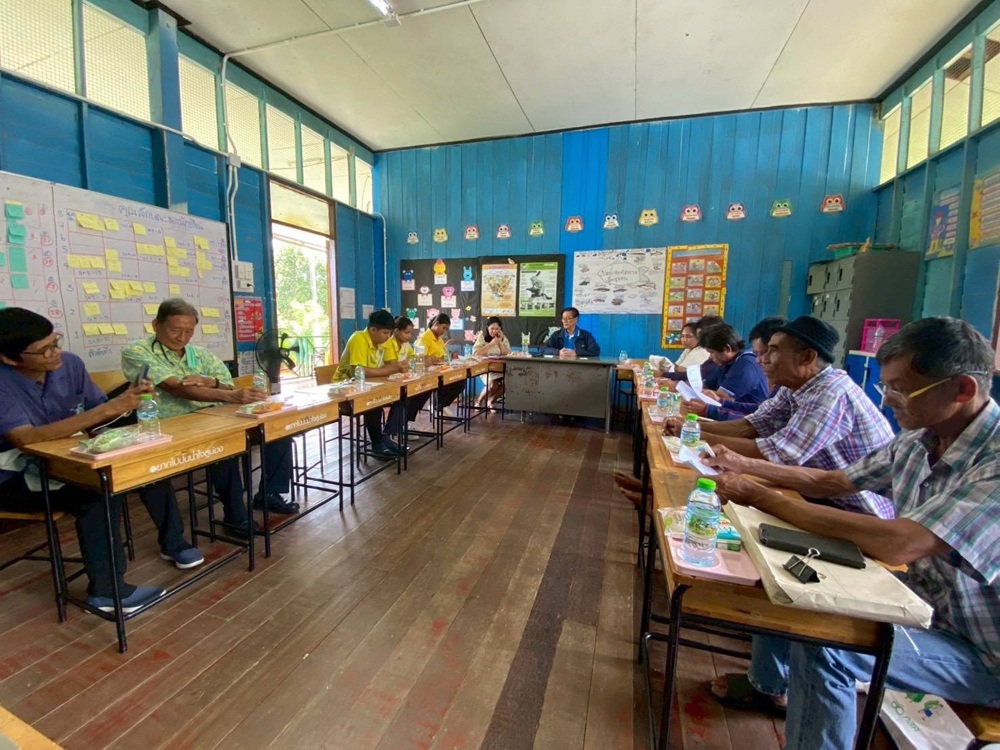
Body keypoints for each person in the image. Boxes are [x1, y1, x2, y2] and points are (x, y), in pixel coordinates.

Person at [703, 317, 1000, 750]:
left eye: (900, 388)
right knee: (791, 579)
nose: (886, 398)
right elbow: (833, 481)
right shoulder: (920, 439)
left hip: (982, 651)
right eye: (886, 385)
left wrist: (763, 496)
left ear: (962, 390)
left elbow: (899, 543)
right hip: (923, 604)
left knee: (828, 645)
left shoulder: (993, 463)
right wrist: (744, 467)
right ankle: (768, 684)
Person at [0, 308, 163, 613]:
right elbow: (27, 439)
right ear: (10, 359)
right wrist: (108, 409)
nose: (55, 353)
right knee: (95, 493)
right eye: (44, 350)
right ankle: (107, 593)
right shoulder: (3, 384)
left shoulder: (70, 364)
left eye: (55, 341)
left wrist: (130, 402)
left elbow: (98, 412)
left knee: (144, 466)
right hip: (14, 477)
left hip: (67, 461)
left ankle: (176, 546)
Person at [665, 315, 895, 517]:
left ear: (807, 357)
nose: (761, 360)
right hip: (811, 491)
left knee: (724, 506)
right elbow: (751, 425)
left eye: (772, 351)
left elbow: (780, 454)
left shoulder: (831, 394)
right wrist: (693, 429)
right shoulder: (793, 386)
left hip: (853, 510)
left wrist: (703, 438)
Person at [122, 299, 299, 552]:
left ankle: (268, 495)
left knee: (276, 431)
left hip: (211, 417)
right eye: (175, 330)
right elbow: (176, 388)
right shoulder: (138, 352)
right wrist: (228, 395)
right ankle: (231, 518)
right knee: (223, 449)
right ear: (155, 325)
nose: (182, 337)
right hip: (166, 426)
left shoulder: (199, 354)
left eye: (189, 331)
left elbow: (227, 384)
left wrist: (212, 382)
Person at [333, 309, 406, 458]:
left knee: (404, 395)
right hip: (344, 388)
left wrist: (388, 369)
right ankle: (377, 444)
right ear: (373, 329)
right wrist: (388, 370)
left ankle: (386, 435)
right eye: (385, 333)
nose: (388, 337)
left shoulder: (385, 341)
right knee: (373, 402)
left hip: (372, 384)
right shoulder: (359, 339)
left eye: (390, 333)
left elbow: (393, 365)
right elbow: (359, 372)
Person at [688, 316, 784, 421]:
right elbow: (761, 410)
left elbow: (761, 420)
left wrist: (709, 409)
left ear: (727, 348)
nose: (759, 360)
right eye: (757, 354)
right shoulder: (725, 363)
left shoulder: (746, 364)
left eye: (712, 352)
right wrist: (718, 401)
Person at [417, 313, 465, 411]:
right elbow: (421, 360)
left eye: (446, 329)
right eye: (444, 328)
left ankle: (440, 406)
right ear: (436, 324)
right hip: (427, 372)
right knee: (446, 383)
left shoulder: (439, 339)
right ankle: (438, 406)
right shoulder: (424, 338)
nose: (444, 331)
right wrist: (435, 359)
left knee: (461, 381)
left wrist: (439, 359)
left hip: (439, 370)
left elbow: (443, 357)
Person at [661, 315, 723, 382]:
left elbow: (683, 372)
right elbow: (677, 368)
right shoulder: (689, 349)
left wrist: (663, 374)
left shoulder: (702, 351)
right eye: (682, 336)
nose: (684, 340)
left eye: (688, 336)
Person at [472, 316, 510, 408]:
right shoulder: (482, 337)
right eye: (492, 329)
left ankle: (491, 401)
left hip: (500, 368)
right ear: (487, 328)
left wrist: (499, 342)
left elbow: (506, 354)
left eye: (497, 329)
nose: (494, 331)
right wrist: (492, 343)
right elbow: (476, 353)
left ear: (500, 329)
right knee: (493, 385)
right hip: (487, 368)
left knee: (509, 382)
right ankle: (479, 400)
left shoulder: (503, 338)